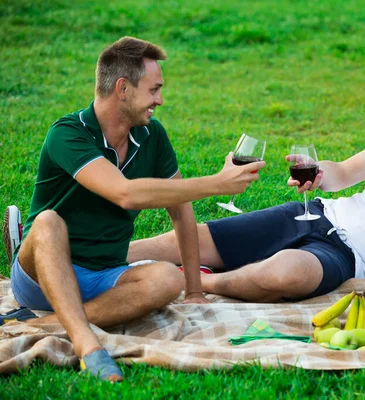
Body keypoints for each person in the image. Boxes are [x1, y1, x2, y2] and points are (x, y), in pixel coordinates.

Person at [125, 58, 365, 303]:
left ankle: (197, 283)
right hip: (320, 214)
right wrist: (321, 172)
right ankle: (94, 258)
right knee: (189, 240)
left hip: (353, 258)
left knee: (284, 273)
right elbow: (344, 172)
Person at [0, 36, 265, 382]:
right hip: (41, 277)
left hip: (104, 276)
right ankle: (87, 345)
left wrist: (195, 291)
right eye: (154, 90)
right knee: (49, 222)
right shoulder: (68, 134)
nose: (160, 100)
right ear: (122, 88)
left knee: (169, 278)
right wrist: (218, 183)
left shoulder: (152, 136)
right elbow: (125, 194)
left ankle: (41, 323)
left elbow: (180, 209)